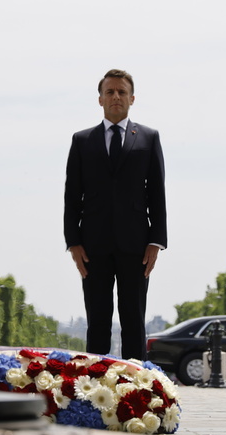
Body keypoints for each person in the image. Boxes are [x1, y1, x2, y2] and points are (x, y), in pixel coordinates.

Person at [64, 69, 167, 361]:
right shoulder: (82, 141)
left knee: (134, 318)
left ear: (132, 98)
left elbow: (157, 194)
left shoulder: (148, 138)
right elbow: (72, 195)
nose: (116, 97)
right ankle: (94, 386)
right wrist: (73, 242)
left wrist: (156, 242)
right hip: (92, 245)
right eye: (110, 92)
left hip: (137, 245)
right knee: (97, 319)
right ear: (100, 99)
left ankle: (136, 385)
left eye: (122, 92)